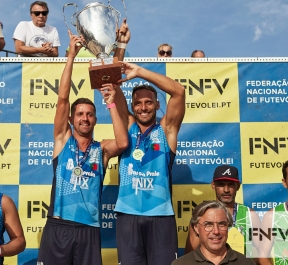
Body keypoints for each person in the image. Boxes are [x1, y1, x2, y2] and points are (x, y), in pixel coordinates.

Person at [36, 31, 129, 265]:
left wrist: (110, 102)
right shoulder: (62, 139)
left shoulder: (102, 149)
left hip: (89, 228)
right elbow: (62, 99)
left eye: (90, 114)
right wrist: (70, 58)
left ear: (96, 119)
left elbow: (123, 142)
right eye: (80, 115)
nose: (85, 118)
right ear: (72, 119)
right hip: (58, 225)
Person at [113, 55, 186, 264]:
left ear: (157, 104)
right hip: (128, 216)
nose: (143, 107)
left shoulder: (167, 130)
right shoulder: (127, 126)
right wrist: (121, 46)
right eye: (138, 103)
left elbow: (178, 91)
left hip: (161, 217)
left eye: (148, 102)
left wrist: (139, 72)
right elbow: (114, 83)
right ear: (132, 106)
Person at [185, 165, 260, 263]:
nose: (226, 190)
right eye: (221, 184)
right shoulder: (202, 214)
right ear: (213, 185)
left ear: (238, 186)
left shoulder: (251, 215)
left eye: (231, 185)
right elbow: (191, 255)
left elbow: (261, 256)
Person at [172, 201, 256, 265]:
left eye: (222, 224)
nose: (216, 231)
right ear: (196, 228)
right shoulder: (180, 264)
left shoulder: (246, 263)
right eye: (208, 225)